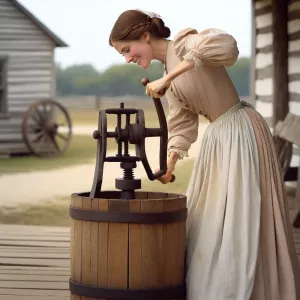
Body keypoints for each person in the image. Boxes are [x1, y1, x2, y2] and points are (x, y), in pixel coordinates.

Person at [109, 9, 300, 300]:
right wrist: (170, 164)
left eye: (127, 49)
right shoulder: (165, 76)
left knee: (240, 213)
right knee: (208, 219)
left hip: (240, 129)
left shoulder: (185, 44)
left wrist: (169, 77)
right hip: (219, 137)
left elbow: (228, 47)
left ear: (145, 36)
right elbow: (182, 123)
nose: (127, 58)